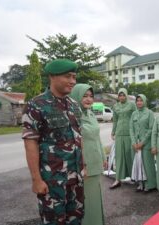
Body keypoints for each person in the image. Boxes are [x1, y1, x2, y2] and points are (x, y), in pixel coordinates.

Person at [22, 59, 85, 224]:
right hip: (52, 181)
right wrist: (36, 180)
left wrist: (83, 165)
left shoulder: (74, 105)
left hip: (76, 179)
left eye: (74, 77)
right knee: (54, 221)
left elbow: (79, 137)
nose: (73, 81)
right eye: (68, 76)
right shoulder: (36, 105)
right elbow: (30, 143)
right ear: (52, 77)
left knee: (76, 219)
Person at [70, 84, 106, 225]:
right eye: (85, 96)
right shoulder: (73, 116)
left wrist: (103, 157)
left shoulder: (90, 114)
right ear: (76, 96)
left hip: (95, 160)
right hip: (83, 165)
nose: (89, 99)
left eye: (91, 96)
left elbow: (97, 138)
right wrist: (80, 164)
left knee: (95, 197)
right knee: (85, 200)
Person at [129, 94, 157, 192]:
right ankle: (140, 184)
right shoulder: (134, 114)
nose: (139, 102)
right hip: (136, 144)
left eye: (141, 100)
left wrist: (143, 142)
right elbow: (131, 129)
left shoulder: (149, 113)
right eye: (137, 100)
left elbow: (151, 129)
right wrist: (133, 142)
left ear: (144, 101)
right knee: (137, 163)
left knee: (147, 164)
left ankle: (150, 184)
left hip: (146, 144)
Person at [110, 88, 136, 189]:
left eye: (123, 95)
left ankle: (134, 176)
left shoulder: (132, 105)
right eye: (120, 95)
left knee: (130, 154)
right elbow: (115, 120)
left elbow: (135, 118)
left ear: (126, 95)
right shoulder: (115, 106)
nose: (121, 97)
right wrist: (113, 132)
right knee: (119, 156)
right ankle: (118, 179)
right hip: (119, 133)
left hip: (130, 133)